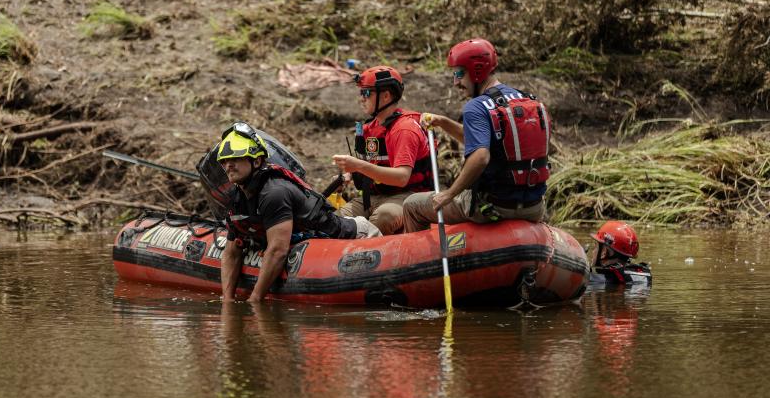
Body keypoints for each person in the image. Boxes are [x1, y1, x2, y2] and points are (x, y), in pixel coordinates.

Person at [218, 121, 381, 302]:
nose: (228, 165)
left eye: (236, 159)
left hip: (357, 236)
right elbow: (231, 252)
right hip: (311, 241)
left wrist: (254, 300)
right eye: (224, 161)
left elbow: (277, 251)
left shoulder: (274, 192)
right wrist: (227, 300)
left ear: (256, 160)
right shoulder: (236, 195)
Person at [403, 38, 550, 232]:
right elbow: (485, 143)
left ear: (476, 70)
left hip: (492, 207)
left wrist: (449, 194)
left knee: (412, 205)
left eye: (459, 73)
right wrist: (444, 123)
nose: (456, 82)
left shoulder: (476, 107)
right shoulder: (526, 100)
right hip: (534, 208)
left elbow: (481, 156)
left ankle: (421, 258)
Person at [332, 66, 433, 235]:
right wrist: (347, 176)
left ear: (386, 96)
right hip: (373, 197)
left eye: (366, 93)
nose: (361, 99)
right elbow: (371, 166)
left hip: (408, 195)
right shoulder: (369, 128)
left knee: (383, 218)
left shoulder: (404, 129)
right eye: (361, 93)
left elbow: (401, 178)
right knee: (337, 219)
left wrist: (358, 166)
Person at [589, 221, 651, 285]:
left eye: (595, 246)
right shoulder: (641, 275)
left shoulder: (592, 280)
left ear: (603, 252)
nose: (593, 251)